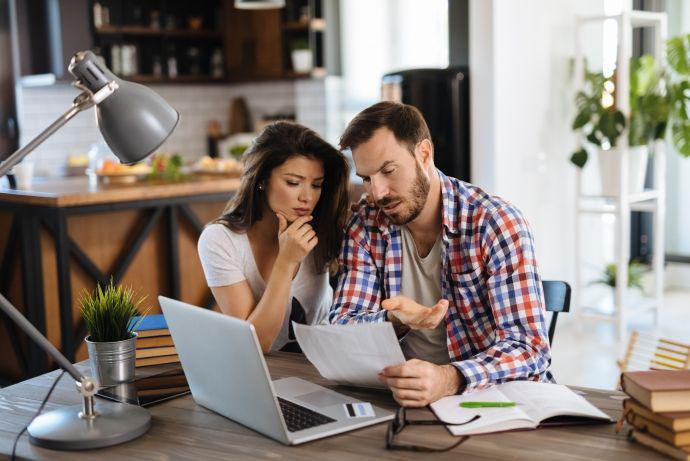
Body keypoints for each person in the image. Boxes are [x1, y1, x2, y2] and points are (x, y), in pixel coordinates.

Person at [330, 101, 551, 407]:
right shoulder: (365, 226)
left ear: (424, 154)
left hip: (490, 398)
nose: (377, 193)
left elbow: (529, 348)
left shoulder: (495, 223)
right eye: (367, 178)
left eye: (388, 170)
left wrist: (448, 378)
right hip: (400, 399)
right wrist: (394, 319)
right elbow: (341, 327)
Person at [198, 121, 349, 353]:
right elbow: (255, 343)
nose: (307, 197)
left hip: (325, 366)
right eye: (293, 182)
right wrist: (286, 262)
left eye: (317, 185)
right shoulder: (220, 240)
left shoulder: (325, 224)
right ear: (261, 180)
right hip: (264, 374)